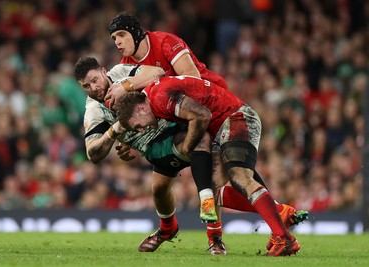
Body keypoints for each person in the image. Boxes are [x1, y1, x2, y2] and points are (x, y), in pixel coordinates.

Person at [116, 75, 302, 256]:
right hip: (222, 128)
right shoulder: (155, 97)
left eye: (138, 125)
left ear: (141, 109)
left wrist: (188, 146)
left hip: (236, 119)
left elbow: (203, 115)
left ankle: (284, 239)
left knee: (240, 177)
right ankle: (280, 215)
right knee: (216, 193)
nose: (141, 129)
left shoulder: (160, 97)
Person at [73, 57, 222, 254]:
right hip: (154, 147)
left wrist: (125, 86)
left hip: (171, 124)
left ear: (103, 71)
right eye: (86, 86)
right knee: (160, 190)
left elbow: (157, 72)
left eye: (94, 80)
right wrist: (115, 130)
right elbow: (93, 153)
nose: (93, 88)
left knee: (203, 143)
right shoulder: (94, 110)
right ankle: (169, 229)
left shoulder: (120, 72)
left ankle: (215, 237)